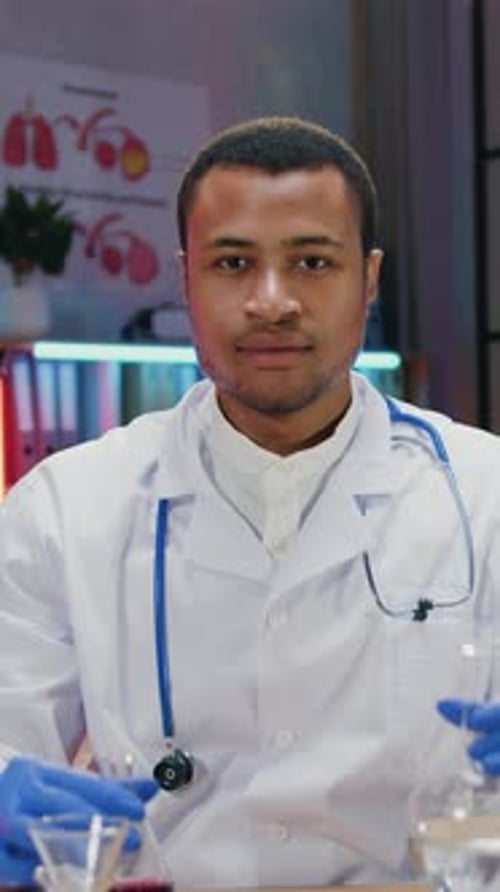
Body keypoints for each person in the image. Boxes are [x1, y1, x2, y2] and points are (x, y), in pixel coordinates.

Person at [1, 114, 500, 888]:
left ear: (367, 280)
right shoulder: (66, 509)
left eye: (311, 261)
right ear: (186, 277)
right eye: (234, 262)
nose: (272, 301)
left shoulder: (485, 493)